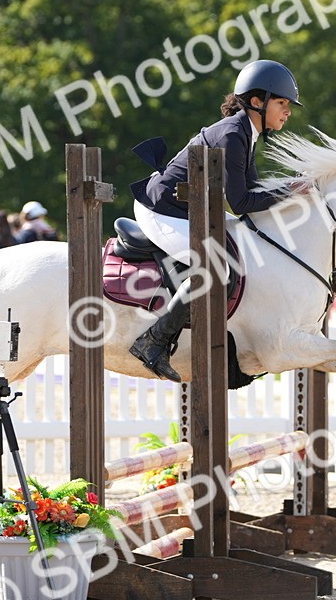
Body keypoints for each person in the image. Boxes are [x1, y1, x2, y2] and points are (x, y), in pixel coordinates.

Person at [126, 59, 305, 382]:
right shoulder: (233, 135)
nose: (288, 110)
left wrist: (288, 189)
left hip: (190, 208)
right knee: (216, 268)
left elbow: (250, 194)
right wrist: (291, 192)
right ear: (256, 101)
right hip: (161, 210)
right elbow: (241, 203)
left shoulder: (246, 133)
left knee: (243, 244)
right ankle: (154, 341)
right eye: (281, 102)